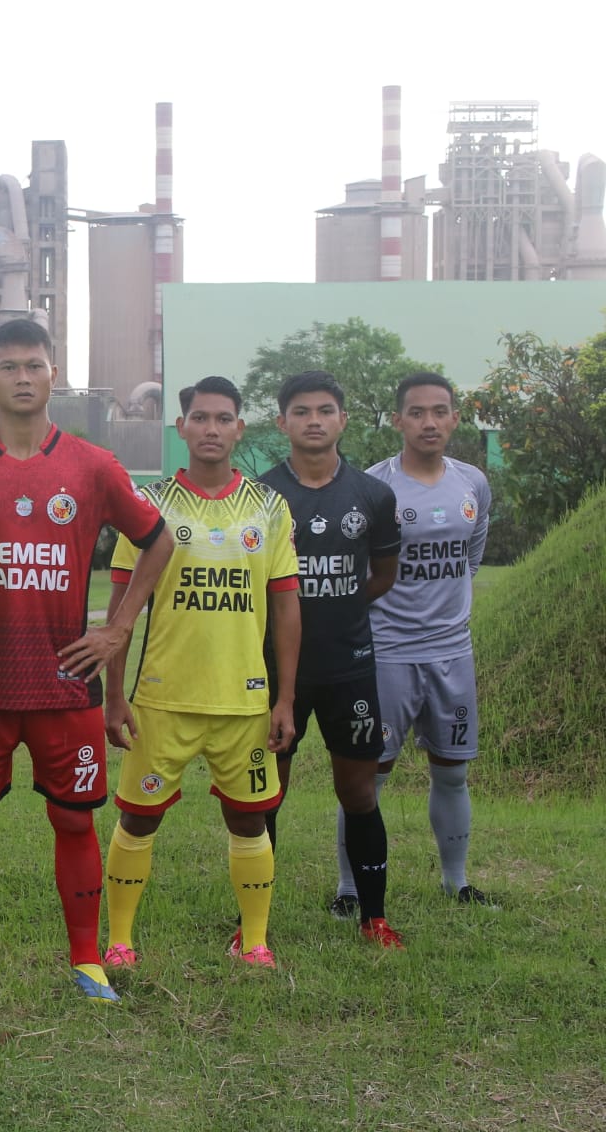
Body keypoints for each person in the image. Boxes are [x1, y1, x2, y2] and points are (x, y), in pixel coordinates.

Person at [0, 319, 173, 1009]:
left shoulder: (92, 466)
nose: (24, 377)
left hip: (68, 684)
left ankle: (87, 961)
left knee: (74, 822)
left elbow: (158, 542)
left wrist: (118, 629)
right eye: (9, 367)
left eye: (35, 364)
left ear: (53, 374)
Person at [102, 376, 300, 969]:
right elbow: (118, 609)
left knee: (249, 818)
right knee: (136, 817)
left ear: (240, 428)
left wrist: (285, 698)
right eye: (200, 418)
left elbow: (287, 604)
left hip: (243, 701)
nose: (211, 428)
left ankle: (256, 942)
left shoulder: (268, 508)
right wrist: (114, 694)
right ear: (181, 427)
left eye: (223, 418)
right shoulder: (150, 506)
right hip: (162, 699)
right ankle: (119, 941)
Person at [254, 371, 402, 947]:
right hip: (273, 671)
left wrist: (339, 608)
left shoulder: (372, 495)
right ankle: (254, 923)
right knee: (267, 792)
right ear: (282, 422)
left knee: (359, 793)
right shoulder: (261, 497)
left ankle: (375, 918)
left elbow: (382, 574)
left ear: (342, 419)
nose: (313, 420)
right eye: (301, 411)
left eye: (325, 410)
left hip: (350, 666)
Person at [345, 371, 495, 907]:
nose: (429, 422)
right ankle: (348, 890)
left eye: (440, 411)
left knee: (452, 775)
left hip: (453, 653)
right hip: (387, 654)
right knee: (369, 779)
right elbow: (357, 567)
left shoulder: (472, 482)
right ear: (398, 420)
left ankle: (457, 881)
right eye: (417, 412)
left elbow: (470, 556)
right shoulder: (373, 486)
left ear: (455, 418)